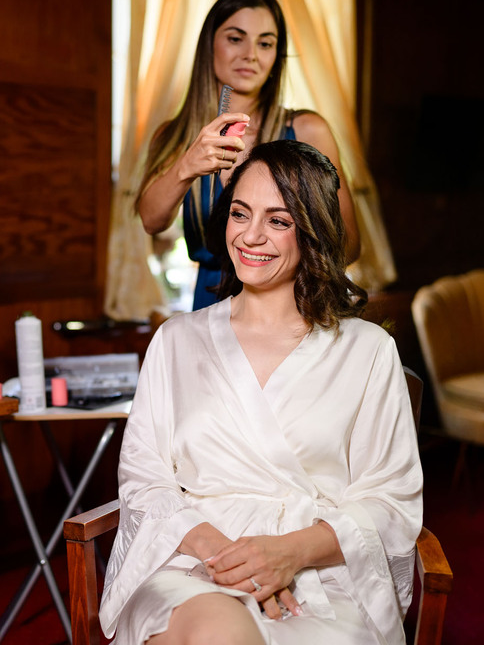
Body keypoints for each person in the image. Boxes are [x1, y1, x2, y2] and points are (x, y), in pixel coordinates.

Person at [101, 140, 422, 645]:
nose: (250, 236)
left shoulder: (367, 351)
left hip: (319, 573)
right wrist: (229, 558)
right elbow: (145, 481)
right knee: (217, 634)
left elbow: (390, 501)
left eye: (278, 220)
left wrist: (288, 554)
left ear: (313, 231)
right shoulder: (176, 340)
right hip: (193, 561)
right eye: (240, 213)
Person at [136, 0, 361, 312]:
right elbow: (151, 221)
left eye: (265, 43)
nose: (251, 55)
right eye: (235, 38)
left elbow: (349, 245)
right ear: (209, 45)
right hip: (210, 303)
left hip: (290, 305)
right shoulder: (175, 136)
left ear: (276, 56)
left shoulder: (308, 130)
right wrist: (187, 166)